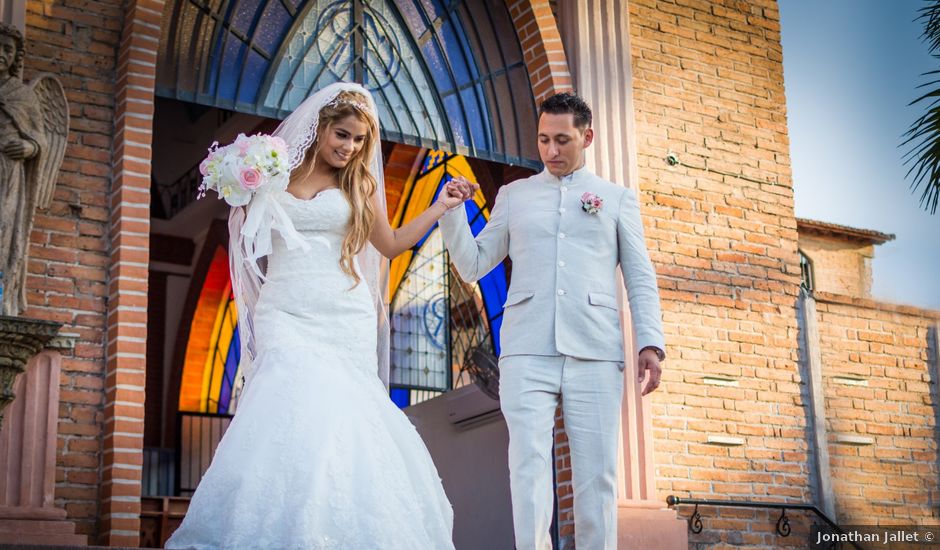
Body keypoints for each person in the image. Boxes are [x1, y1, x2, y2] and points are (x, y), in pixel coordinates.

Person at [165, 82, 471, 549]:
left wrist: (439, 207)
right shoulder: (271, 173)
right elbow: (251, 243)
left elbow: (389, 246)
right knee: (283, 405)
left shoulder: (361, 185)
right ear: (322, 128)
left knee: (337, 414)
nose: (350, 148)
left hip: (341, 314)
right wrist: (244, 190)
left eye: (359, 141)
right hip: (283, 309)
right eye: (343, 135)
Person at [438, 92, 666, 550]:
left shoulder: (616, 199)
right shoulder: (514, 196)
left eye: (562, 140)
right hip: (525, 349)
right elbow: (473, 263)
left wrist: (650, 342)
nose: (551, 151)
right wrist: (451, 213)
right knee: (527, 466)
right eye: (543, 140)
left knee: (596, 476)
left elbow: (640, 274)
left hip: (596, 350)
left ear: (588, 136)